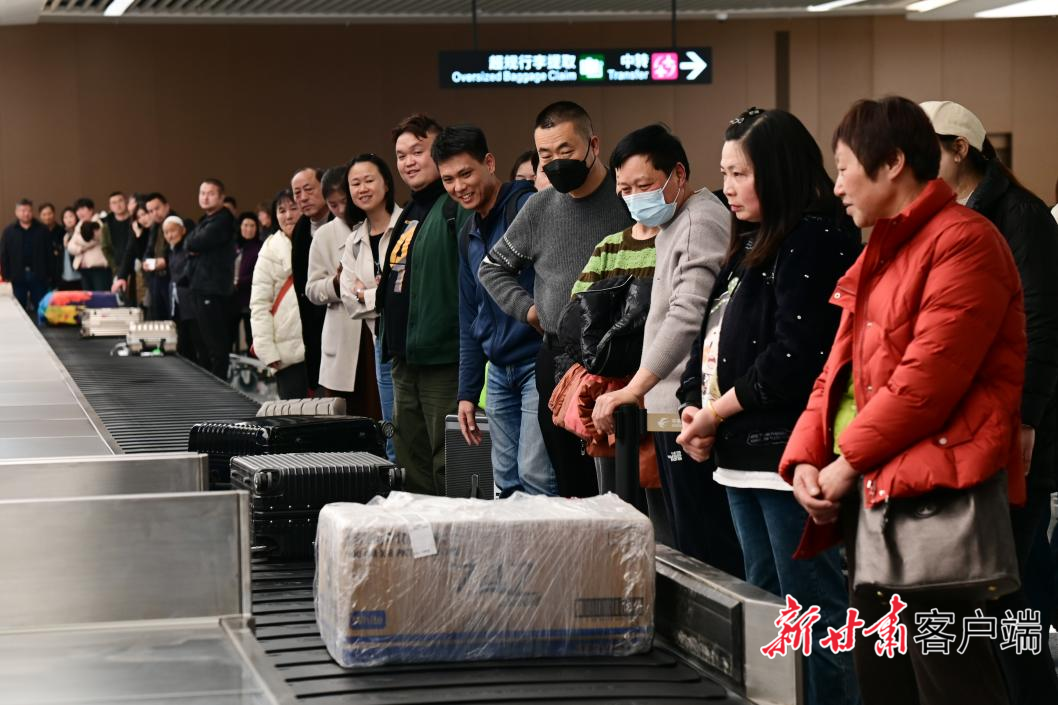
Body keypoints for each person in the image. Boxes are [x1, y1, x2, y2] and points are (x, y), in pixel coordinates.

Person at [780, 96, 1025, 705]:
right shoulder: (879, 252)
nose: (837, 186)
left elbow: (926, 385)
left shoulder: (967, 241)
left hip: (936, 501)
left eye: (845, 168)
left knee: (954, 686)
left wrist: (843, 465)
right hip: (873, 494)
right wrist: (806, 457)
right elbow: (834, 374)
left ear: (892, 163)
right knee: (885, 684)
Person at [674, 109, 862, 705]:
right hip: (738, 453)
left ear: (778, 172)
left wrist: (716, 412)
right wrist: (693, 404)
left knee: (814, 607)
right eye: (724, 173)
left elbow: (794, 358)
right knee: (766, 599)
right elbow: (711, 334)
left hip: (789, 454)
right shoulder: (751, 240)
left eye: (741, 173)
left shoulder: (814, 238)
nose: (727, 187)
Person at [922, 99, 1058, 703]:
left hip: (1013, 432)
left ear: (960, 148)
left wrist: (1026, 416)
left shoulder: (1019, 215)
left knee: (1004, 590)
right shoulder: (940, 214)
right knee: (987, 592)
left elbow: (1043, 325)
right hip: (960, 433)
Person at [583, 124, 740, 575]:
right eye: (625, 190)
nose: (635, 198)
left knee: (702, 546)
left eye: (645, 185)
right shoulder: (674, 220)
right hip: (669, 405)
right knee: (686, 537)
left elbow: (686, 316)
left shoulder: (697, 221)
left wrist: (635, 388)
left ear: (678, 174)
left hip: (683, 408)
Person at [480, 101, 633, 497]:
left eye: (566, 150)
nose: (555, 162)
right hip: (556, 360)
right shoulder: (540, 207)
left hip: (622, 363)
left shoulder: (627, 198)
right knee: (569, 483)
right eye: (545, 155)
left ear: (593, 145)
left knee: (625, 483)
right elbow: (492, 268)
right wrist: (530, 310)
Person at [433, 124, 554, 497]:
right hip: (498, 373)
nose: (458, 186)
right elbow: (470, 317)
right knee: (505, 480)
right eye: (448, 179)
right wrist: (467, 392)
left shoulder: (526, 206)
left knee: (536, 476)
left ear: (489, 163)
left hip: (537, 362)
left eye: (465, 173)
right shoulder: (468, 232)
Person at [374, 113, 471, 495]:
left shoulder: (454, 206)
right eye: (401, 155)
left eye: (418, 151)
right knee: (409, 463)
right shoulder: (410, 212)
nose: (408, 162)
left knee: (451, 463)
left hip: (443, 359)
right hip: (404, 358)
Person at [339, 154, 403, 463]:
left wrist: (366, 293)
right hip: (381, 340)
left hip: (410, 337)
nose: (362, 188)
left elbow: (408, 292)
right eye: (355, 183)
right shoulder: (354, 240)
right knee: (390, 424)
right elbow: (349, 301)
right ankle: (396, 480)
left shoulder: (408, 227)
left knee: (413, 423)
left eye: (369, 180)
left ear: (386, 183)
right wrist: (380, 294)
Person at [307, 164, 381, 416]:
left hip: (374, 327)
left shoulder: (376, 224)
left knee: (379, 409)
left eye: (344, 202)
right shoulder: (324, 235)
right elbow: (311, 289)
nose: (340, 210)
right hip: (342, 333)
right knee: (343, 413)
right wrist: (336, 283)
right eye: (332, 205)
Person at [251, 189, 306, 399]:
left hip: (322, 349)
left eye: (294, 208)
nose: (288, 215)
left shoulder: (319, 239)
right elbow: (259, 304)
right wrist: (267, 350)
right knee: (293, 411)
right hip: (286, 353)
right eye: (282, 210)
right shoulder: (269, 250)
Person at [186, 179, 236, 379]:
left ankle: (219, 386)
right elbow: (189, 243)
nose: (205, 197)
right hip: (201, 286)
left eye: (211, 193)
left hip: (212, 289)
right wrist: (193, 246)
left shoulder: (223, 220)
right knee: (204, 343)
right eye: (202, 193)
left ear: (222, 197)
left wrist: (194, 247)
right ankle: (210, 383)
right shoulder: (206, 220)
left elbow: (194, 243)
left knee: (216, 344)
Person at [290, 167, 330, 393]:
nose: (303, 197)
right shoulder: (300, 229)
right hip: (311, 318)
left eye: (308, 189)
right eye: (297, 193)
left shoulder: (344, 222)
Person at [1, 199, 54, 311]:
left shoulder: (42, 229)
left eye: (29, 210)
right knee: (19, 308)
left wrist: (50, 274)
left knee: (42, 307)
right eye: (22, 210)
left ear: (32, 212)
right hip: (17, 275)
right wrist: (6, 275)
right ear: (16, 212)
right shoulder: (9, 231)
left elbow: (49, 253)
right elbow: (4, 255)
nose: (26, 213)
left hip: (39, 274)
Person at [162, 215, 200, 364]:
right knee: (182, 341)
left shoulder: (188, 249)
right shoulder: (171, 251)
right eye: (166, 232)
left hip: (190, 302)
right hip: (177, 303)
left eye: (173, 231)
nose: (170, 235)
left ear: (183, 230)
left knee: (195, 340)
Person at [233, 212, 263, 353]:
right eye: (245, 225)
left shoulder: (260, 247)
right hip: (231, 298)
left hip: (250, 298)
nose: (249, 229)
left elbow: (259, 273)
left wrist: (239, 282)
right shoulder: (234, 246)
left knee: (251, 336)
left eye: (252, 226)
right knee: (229, 335)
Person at [67, 198, 111, 291]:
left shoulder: (98, 222)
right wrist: (80, 249)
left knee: (100, 296)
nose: (80, 213)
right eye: (78, 210)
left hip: (98, 268)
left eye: (83, 209)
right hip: (84, 268)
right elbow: (70, 247)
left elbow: (91, 240)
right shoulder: (79, 225)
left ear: (91, 209)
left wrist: (77, 241)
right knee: (87, 297)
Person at [102, 192, 133, 293]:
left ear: (126, 202)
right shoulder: (107, 226)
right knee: (120, 296)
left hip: (136, 266)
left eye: (120, 201)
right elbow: (105, 248)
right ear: (110, 206)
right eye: (114, 203)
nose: (118, 205)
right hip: (118, 267)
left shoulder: (134, 220)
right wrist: (114, 266)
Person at [38, 202, 64, 287]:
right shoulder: (36, 233)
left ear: (54, 214)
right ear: (40, 216)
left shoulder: (62, 231)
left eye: (49, 213)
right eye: (44, 214)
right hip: (42, 273)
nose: (47, 217)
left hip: (60, 272)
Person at [57, 207, 81, 290]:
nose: (68, 219)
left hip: (80, 274)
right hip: (65, 275)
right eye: (65, 217)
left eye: (71, 216)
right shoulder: (62, 234)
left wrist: (69, 245)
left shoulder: (80, 232)